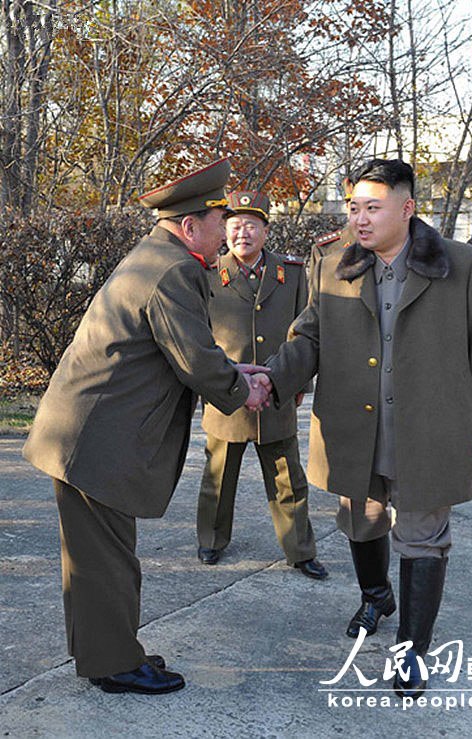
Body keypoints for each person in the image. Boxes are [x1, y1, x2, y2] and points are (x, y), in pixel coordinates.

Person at [22, 159, 271, 695]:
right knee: (106, 561)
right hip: (94, 438)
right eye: (217, 220)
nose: (226, 230)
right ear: (190, 226)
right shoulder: (174, 268)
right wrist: (241, 388)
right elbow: (195, 360)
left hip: (87, 433)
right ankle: (114, 666)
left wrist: (233, 372)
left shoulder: (158, 258)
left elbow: (182, 350)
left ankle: (108, 652)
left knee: (95, 556)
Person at [266, 159, 472, 698]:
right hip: (354, 422)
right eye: (354, 207)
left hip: (428, 426)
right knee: (360, 518)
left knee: (423, 533)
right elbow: (309, 335)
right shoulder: (331, 261)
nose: (361, 219)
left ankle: (413, 649)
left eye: (373, 207)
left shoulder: (462, 264)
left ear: (407, 208)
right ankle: (376, 596)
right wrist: (269, 380)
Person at [196, 190, 327, 580]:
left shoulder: (291, 274)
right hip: (227, 394)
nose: (242, 234)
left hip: (276, 391)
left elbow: (307, 332)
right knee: (218, 476)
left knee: (288, 477)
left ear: (266, 231)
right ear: (224, 231)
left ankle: (300, 550)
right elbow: (199, 337)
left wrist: (296, 380)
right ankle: (211, 540)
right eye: (234, 226)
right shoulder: (207, 276)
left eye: (252, 226)